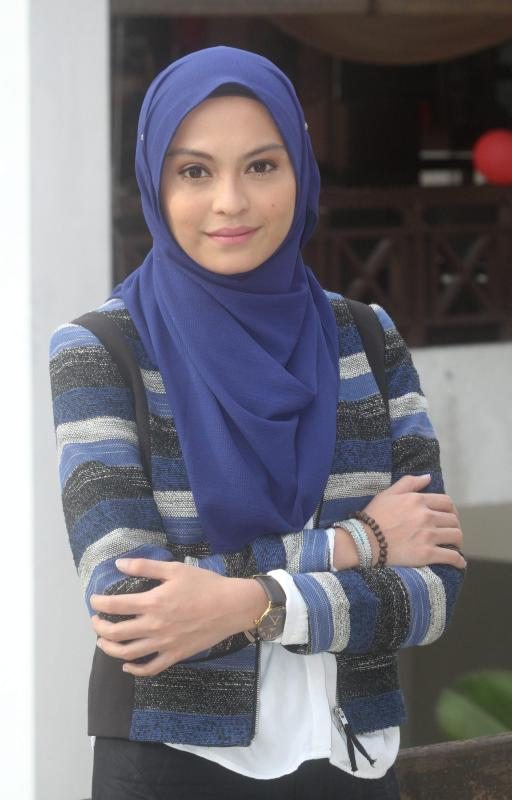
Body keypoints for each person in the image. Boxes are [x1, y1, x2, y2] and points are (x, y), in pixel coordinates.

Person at [49, 46, 466, 800]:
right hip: (171, 763)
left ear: (301, 172)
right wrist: (356, 543)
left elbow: (432, 594)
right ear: (155, 185)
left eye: (262, 166)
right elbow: (129, 607)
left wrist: (243, 602)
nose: (231, 202)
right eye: (195, 171)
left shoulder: (367, 339)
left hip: (352, 759)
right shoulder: (102, 351)